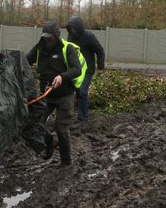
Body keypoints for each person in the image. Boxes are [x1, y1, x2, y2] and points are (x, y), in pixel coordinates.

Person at [26, 21, 85, 166]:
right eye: (45, 37)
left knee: (60, 128)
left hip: (65, 95)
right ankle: (50, 143)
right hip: (46, 95)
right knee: (36, 122)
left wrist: (62, 77)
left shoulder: (68, 49)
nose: (47, 41)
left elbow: (76, 69)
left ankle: (66, 162)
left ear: (57, 36)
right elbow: (26, 60)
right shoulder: (40, 48)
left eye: (50, 38)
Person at [65, 16, 106, 122]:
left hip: (87, 69)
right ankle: (69, 114)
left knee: (82, 92)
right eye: (71, 28)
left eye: (74, 28)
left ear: (79, 27)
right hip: (75, 69)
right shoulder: (70, 36)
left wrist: (100, 68)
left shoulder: (89, 36)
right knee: (74, 92)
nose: (72, 30)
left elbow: (100, 51)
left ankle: (83, 119)